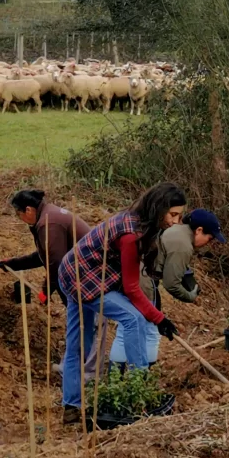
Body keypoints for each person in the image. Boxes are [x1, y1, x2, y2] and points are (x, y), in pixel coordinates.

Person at [58, 182, 187, 424]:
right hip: (84, 278)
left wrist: (157, 317)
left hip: (74, 270)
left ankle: (71, 407)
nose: (174, 222)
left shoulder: (139, 223)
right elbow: (132, 288)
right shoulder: (131, 235)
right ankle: (141, 394)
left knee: (79, 345)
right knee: (133, 319)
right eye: (172, 215)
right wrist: (159, 319)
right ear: (159, 208)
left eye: (179, 216)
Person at [109, 207, 226, 368]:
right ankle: (142, 383)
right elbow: (172, 285)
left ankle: (116, 381)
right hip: (143, 280)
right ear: (199, 230)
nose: (208, 243)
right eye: (210, 238)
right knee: (151, 332)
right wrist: (191, 295)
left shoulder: (176, 230)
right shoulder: (183, 244)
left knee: (125, 328)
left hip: (129, 272)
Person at [0, 189, 92, 303]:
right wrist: (13, 264)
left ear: (28, 210)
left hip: (87, 273)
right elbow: (44, 256)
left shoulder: (48, 223)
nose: (20, 219)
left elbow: (56, 263)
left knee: (82, 310)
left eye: (19, 214)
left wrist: (46, 291)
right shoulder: (46, 214)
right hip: (80, 269)